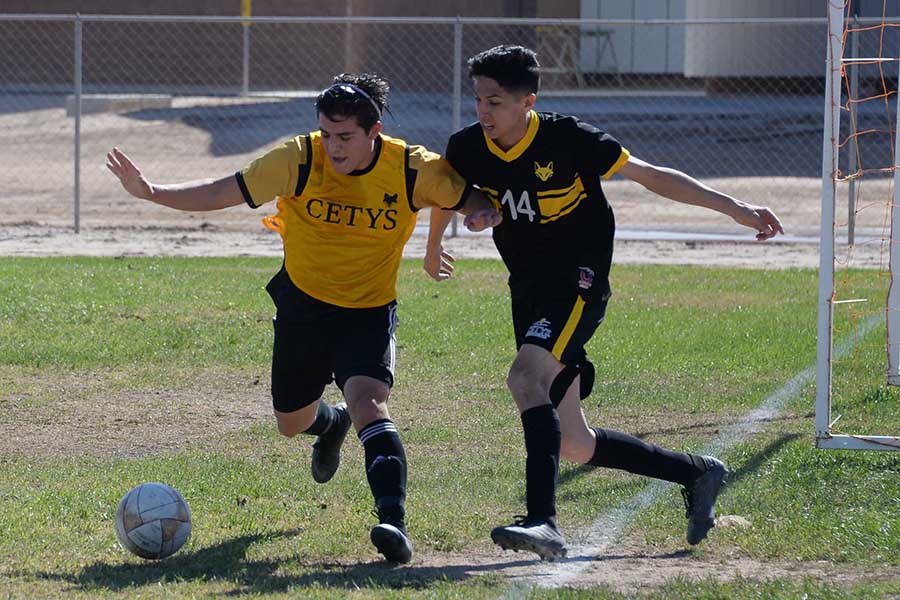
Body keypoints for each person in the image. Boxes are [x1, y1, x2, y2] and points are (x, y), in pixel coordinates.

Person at [106, 72, 500, 564]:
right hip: (303, 306)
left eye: (346, 137)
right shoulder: (298, 158)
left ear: (373, 131)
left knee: (370, 404)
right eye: (327, 133)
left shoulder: (410, 168)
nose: (333, 147)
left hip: (368, 310)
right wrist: (151, 191)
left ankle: (392, 523)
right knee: (291, 423)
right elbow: (218, 192)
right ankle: (328, 424)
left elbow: (470, 197)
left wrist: (483, 213)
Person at [425, 45, 784, 561]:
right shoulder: (469, 147)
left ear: (529, 100)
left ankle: (543, 522)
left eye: (496, 101)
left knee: (525, 378)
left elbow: (651, 174)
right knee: (573, 441)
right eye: (479, 99)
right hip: (527, 288)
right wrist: (439, 241)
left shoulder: (569, 139)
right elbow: (450, 190)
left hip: (578, 281)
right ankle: (696, 472)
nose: (483, 111)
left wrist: (735, 208)